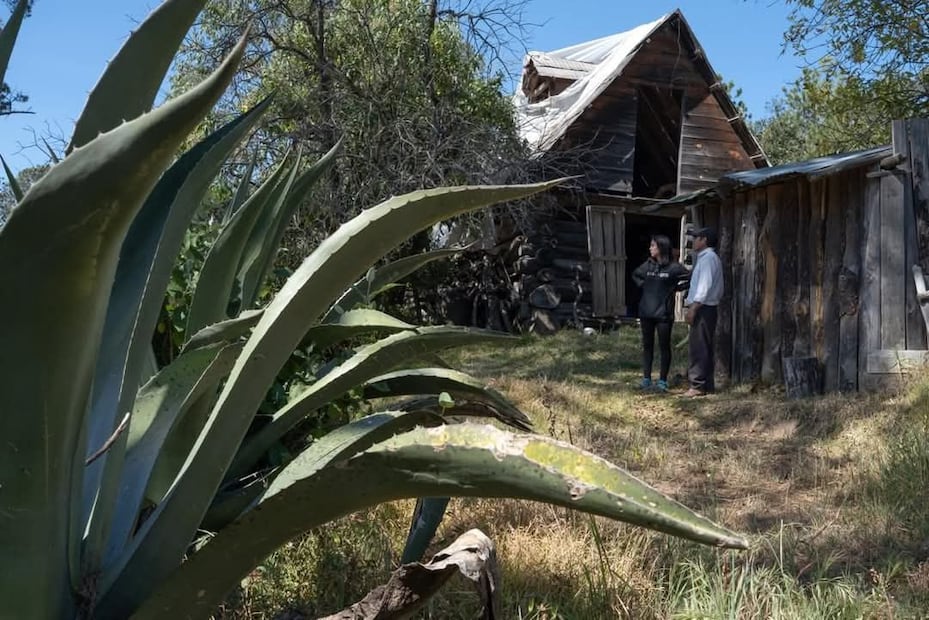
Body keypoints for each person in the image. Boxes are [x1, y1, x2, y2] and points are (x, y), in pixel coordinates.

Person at [632, 234, 689, 392]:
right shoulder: (648, 265)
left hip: (663, 314)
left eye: (653, 246)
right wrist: (645, 285)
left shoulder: (673, 267)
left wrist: (675, 288)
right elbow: (635, 275)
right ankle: (646, 379)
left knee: (664, 347)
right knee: (647, 346)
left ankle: (662, 381)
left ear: (661, 248)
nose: (650, 248)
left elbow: (690, 278)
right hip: (646, 313)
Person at [684, 227, 724, 397]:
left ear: (704, 240)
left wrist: (693, 308)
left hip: (703, 307)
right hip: (706, 307)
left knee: (699, 347)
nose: (694, 241)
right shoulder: (708, 258)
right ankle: (706, 384)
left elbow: (704, 286)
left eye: (696, 238)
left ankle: (697, 385)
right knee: (704, 346)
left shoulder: (708, 259)